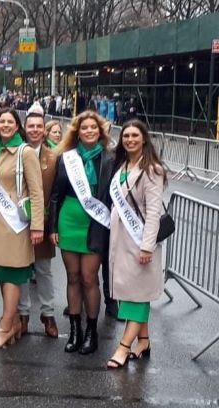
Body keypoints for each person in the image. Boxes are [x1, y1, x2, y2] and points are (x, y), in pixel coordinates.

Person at [49, 111, 114, 354]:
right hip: (69, 219)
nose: (89, 131)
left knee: (89, 277)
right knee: (73, 277)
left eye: (93, 128)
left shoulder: (110, 158)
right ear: (77, 132)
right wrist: (52, 227)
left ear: (100, 131)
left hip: (96, 221)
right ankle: (75, 331)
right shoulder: (67, 158)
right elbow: (55, 194)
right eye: (84, 128)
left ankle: (91, 332)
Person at [0, 108, 44, 348]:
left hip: (15, 225)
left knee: (11, 276)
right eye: (1, 122)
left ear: (18, 126)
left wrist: (37, 226)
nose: (5, 125)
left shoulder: (25, 152)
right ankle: (15, 321)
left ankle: (4, 327)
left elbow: (36, 191)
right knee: (2, 275)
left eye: (10, 122)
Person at [105, 120, 166, 368]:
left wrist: (147, 246)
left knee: (137, 296)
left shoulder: (152, 170)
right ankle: (143, 341)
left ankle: (123, 347)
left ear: (144, 139)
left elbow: (153, 213)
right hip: (121, 239)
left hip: (139, 240)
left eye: (134, 135)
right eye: (126, 136)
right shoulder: (123, 165)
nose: (130, 139)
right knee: (131, 290)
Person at [17, 112, 59, 338]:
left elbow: (56, 194)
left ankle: (48, 314)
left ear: (44, 130)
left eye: (38, 126)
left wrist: (51, 226)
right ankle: (22, 314)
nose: (34, 129)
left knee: (44, 270)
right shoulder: (16, 153)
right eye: (30, 125)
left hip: (42, 221)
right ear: (25, 128)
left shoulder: (54, 157)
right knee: (22, 268)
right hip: (18, 220)